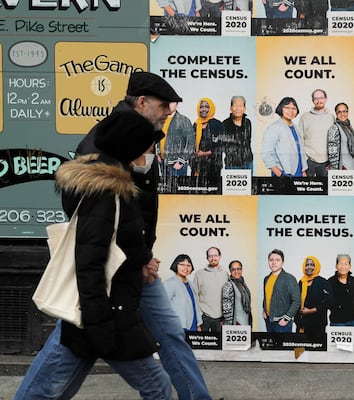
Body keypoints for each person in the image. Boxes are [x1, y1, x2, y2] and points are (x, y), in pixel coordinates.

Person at [18, 72, 212, 400]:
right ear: (142, 103)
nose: (168, 111)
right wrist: (132, 259)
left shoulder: (139, 138)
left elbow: (135, 215)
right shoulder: (110, 145)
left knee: (165, 336)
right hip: (109, 276)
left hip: (132, 270)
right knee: (77, 338)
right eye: (164, 105)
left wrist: (142, 258)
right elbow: (93, 226)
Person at [19, 111, 172, 399]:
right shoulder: (106, 194)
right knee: (157, 386)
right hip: (105, 316)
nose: (151, 156)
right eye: (149, 149)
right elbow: (89, 261)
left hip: (105, 315)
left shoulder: (119, 187)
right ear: (131, 149)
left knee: (47, 393)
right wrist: (99, 325)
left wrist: (141, 261)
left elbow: (122, 238)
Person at [261, 97, 308, 177]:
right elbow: (266, 153)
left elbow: (300, 151)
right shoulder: (275, 127)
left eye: (294, 108)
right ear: (281, 109)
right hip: (283, 174)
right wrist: (279, 174)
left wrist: (303, 171)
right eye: (287, 108)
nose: (291, 111)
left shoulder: (296, 127)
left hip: (299, 173)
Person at [191, 247, 230, 333]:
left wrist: (226, 318)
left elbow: (229, 297)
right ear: (207, 258)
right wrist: (198, 319)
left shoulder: (226, 274)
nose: (213, 258)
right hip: (204, 318)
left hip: (221, 319)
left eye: (215, 255)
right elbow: (194, 296)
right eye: (210, 256)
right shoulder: (199, 274)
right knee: (204, 345)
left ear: (220, 256)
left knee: (220, 345)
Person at [298, 89, 336, 177]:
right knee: (308, 188)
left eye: (321, 98)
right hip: (309, 161)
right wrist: (305, 160)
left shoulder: (331, 117)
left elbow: (335, 140)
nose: (319, 101)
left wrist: (332, 161)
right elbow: (300, 139)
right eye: (316, 98)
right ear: (313, 101)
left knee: (324, 189)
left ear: (326, 99)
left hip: (326, 162)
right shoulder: (305, 117)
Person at [262, 249, 301, 333]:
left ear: (282, 262)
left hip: (282, 323)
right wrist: (264, 309)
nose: (274, 262)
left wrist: (286, 318)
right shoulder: (266, 278)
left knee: (283, 346)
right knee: (271, 345)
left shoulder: (289, 278)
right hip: (269, 320)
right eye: (271, 260)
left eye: (277, 260)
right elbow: (267, 296)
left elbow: (297, 301)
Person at [163, 254, 202, 332]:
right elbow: (163, 307)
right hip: (178, 326)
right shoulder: (170, 283)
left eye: (188, 265)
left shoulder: (190, 283)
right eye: (182, 264)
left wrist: (198, 324)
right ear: (176, 265)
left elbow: (195, 305)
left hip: (192, 324)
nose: (186, 268)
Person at [296, 256, 334, 336]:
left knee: (316, 347)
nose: (309, 267)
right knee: (300, 347)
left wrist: (311, 310)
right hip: (302, 324)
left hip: (318, 324)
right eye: (307, 265)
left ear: (316, 266)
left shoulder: (323, 282)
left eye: (312, 265)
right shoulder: (301, 282)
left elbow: (330, 301)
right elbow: (295, 301)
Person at [192, 97, 224, 186]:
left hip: (213, 165)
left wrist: (205, 153)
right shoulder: (195, 124)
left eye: (207, 107)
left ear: (211, 108)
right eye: (201, 107)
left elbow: (221, 145)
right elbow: (191, 143)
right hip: (197, 165)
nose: (204, 109)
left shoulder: (217, 124)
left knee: (212, 191)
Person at [159, 107, 195, 178]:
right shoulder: (161, 120)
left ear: (176, 104)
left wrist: (181, 161)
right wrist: (157, 153)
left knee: (177, 188)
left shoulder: (184, 120)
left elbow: (191, 143)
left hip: (177, 164)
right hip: (163, 163)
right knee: (165, 188)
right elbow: (157, 137)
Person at [220, 96, 254, 171]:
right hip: (232, 164)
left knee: (250, 182)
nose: (238, 108)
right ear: (231, 108)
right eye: (235, 105)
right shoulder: (225, 124)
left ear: (244, 108)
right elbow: (223, 145)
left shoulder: (247, 122)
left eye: (240, 105)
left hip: (248, 162)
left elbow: (248, 140)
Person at [328, 254, 354, 328]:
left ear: (350, 266)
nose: (343, 267)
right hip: (337, 322)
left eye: (346, 264)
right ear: (336, 266)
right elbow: (328, 302)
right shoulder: (330, 281)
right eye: (341, 264)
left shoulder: (352, 280)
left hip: (353, 320)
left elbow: (353, 298)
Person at [327, 102, 354, 171]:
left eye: (344, 111)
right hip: (342, 167)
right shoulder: (334, 128)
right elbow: (332, 152)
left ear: (348, 112)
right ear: (336, 114)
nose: (342, 114)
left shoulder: (349, 126)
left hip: (351, 165)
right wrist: (338, 169)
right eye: (339, 112)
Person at [222, 260, 253, 326]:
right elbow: (226, 308)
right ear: (230, 271)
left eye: (238, 269)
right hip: (236, 323)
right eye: (233, 269)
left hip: (246, 321)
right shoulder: (228, 285)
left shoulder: (243, 283)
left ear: (241, 269)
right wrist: (232, 325)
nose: (236, 271)